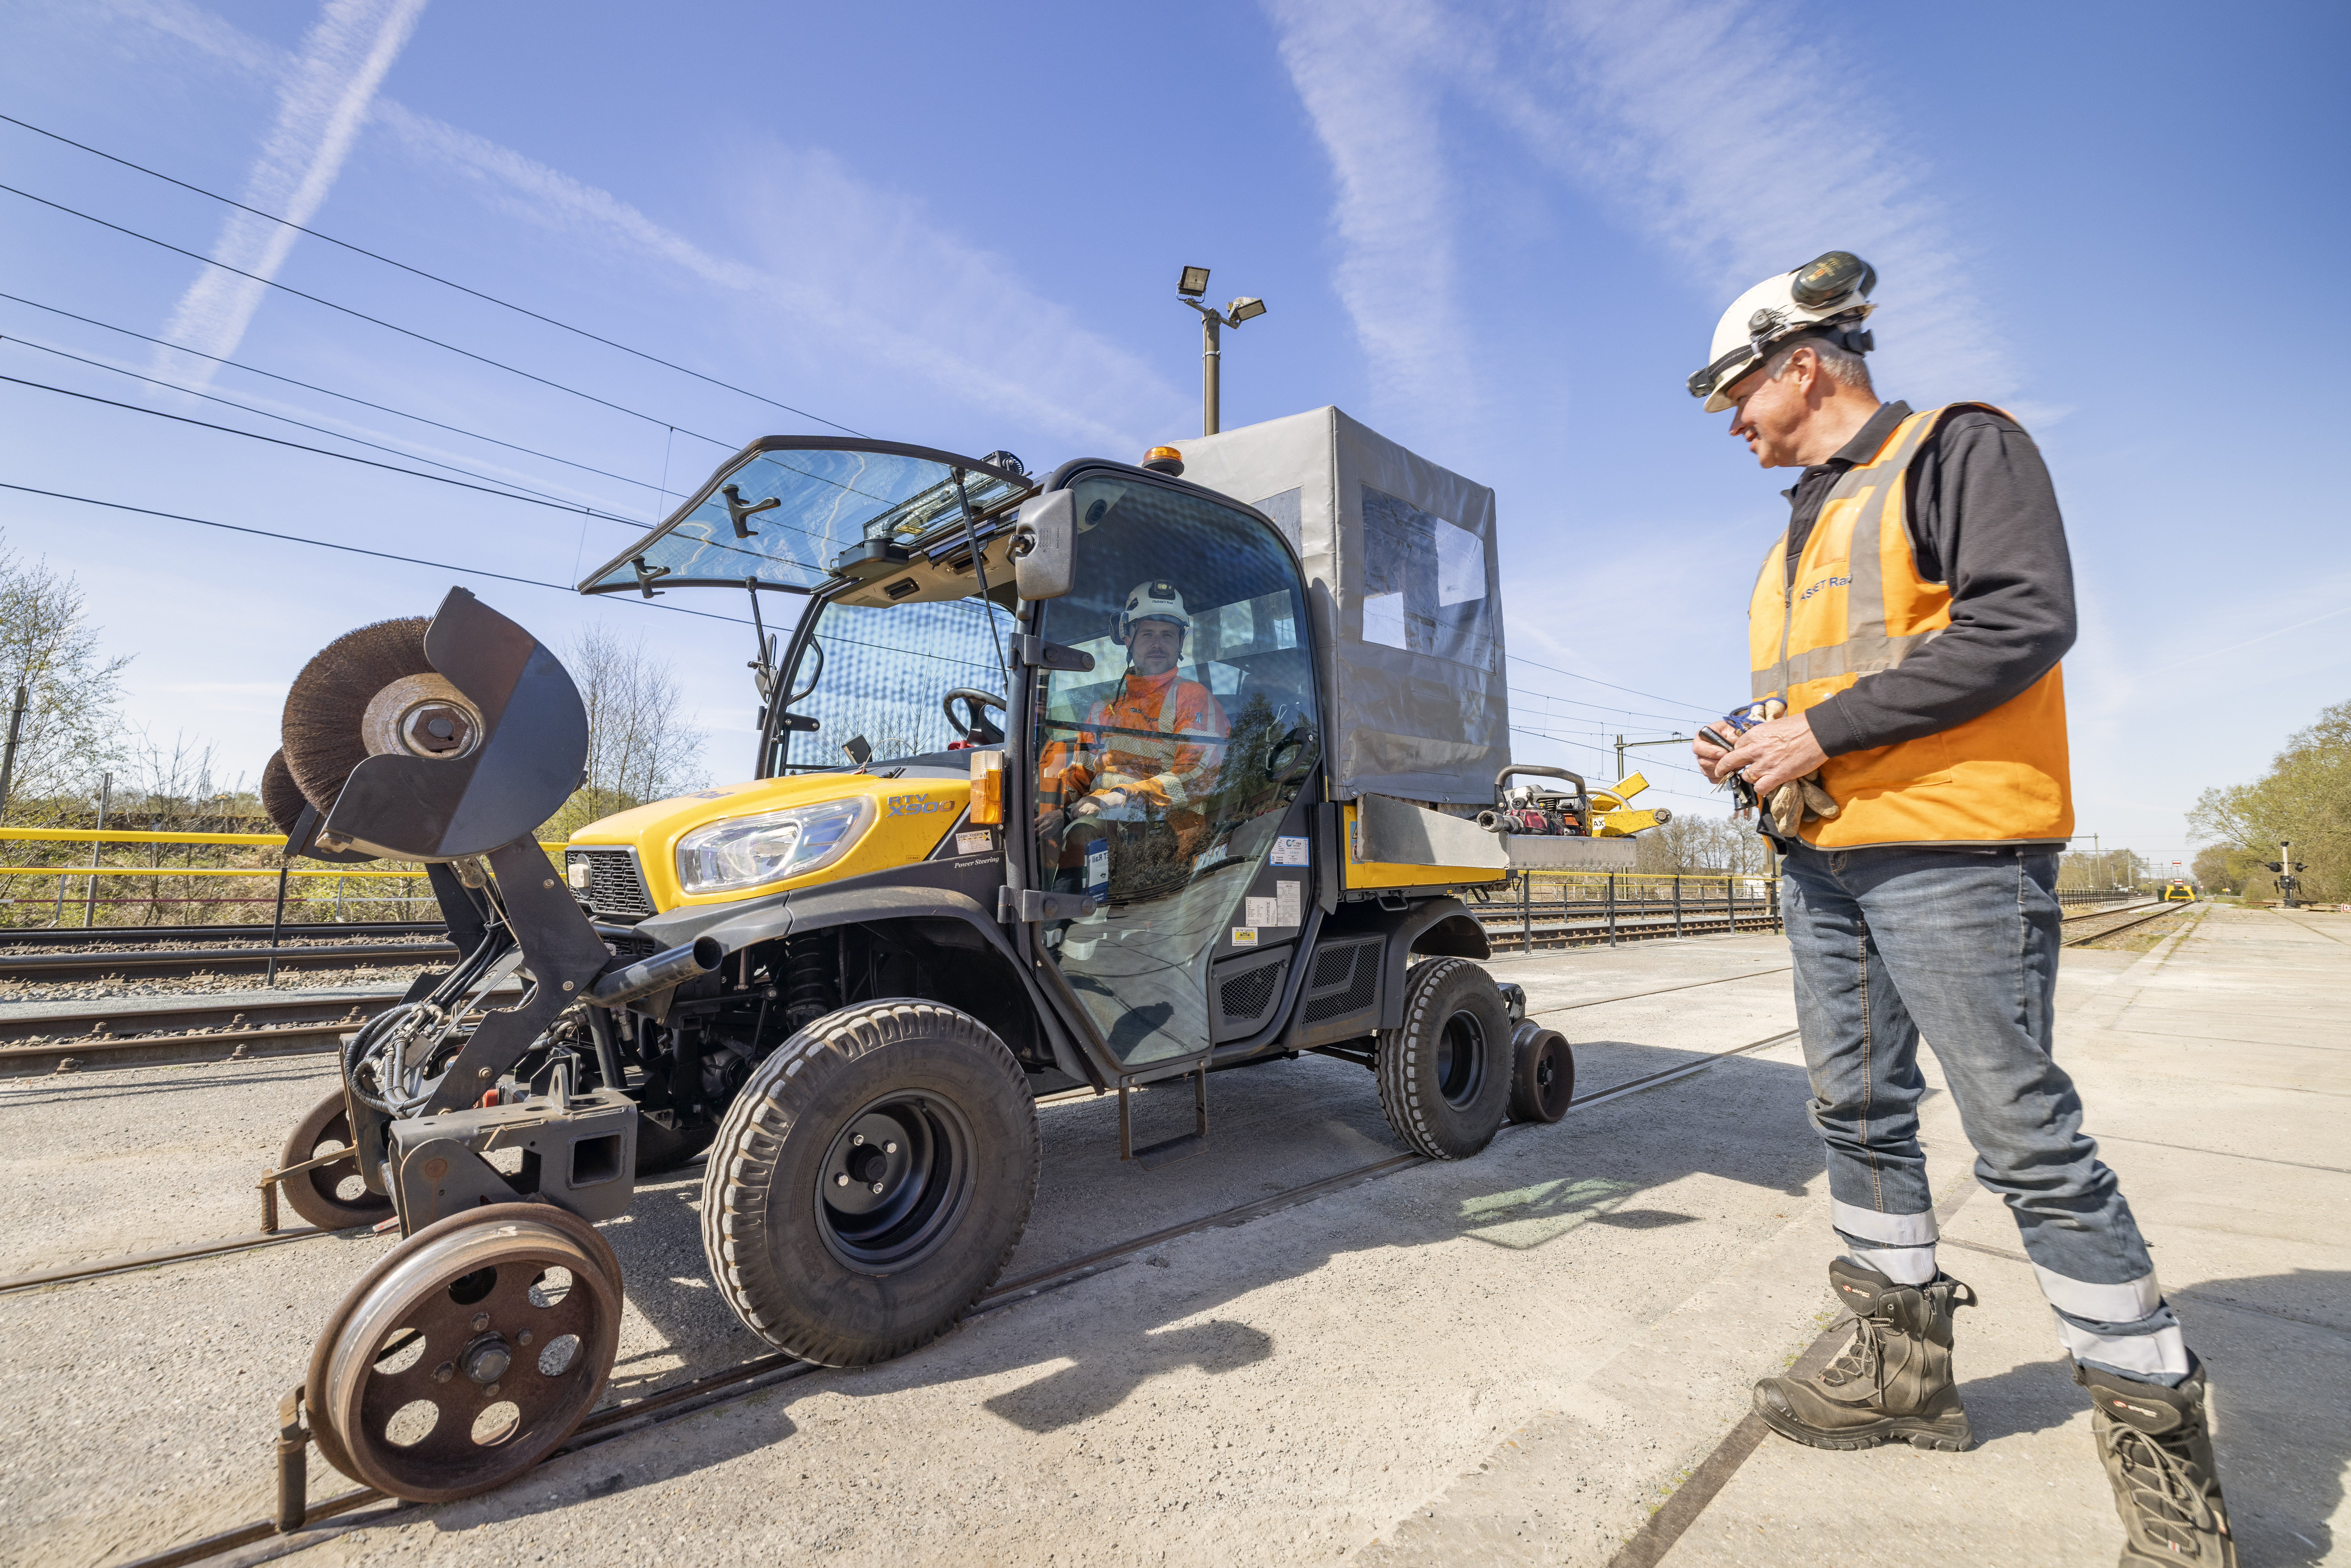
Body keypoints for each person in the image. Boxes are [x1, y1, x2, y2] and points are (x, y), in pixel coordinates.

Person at [1687, 252, 2235, 1566]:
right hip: (1826, 854)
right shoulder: (1809, 515)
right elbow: (1852, 678)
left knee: (2025, 1140)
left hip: (1952, 849)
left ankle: (2165, 1462)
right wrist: (1758, 741)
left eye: (1739, 394)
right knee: (1857, 1111)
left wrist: (1815, 726)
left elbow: (2024, 621)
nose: (1734, 424)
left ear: (1803, 363)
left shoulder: (1957, 450)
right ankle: (1898, 1373)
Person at [1036, 581, 1229, 896]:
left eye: (1167, 634)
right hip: (1102, 818)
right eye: (1147, 633)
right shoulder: (1103, 708)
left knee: (1084, 833)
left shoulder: (1192, 698)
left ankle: (1057, 928)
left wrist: (1120, 797)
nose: (1157, 643)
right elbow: (1079, 773)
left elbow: (1196, 777)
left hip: (1165, 831)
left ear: (1181, 642)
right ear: (1127, 638)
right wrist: (1059, 809)